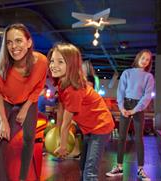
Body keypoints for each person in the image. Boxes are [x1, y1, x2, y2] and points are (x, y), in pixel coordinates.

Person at [0, 23, 48, 181]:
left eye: (18, 41)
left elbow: (39, 86)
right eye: (9, 42)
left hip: (28, 99)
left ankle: (22, 178)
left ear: (28, 43)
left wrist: (25, 108)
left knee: (29, 137)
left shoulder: (41, 62)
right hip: (5, 99)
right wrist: (3, 120)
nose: (14, 46)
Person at [47, 42, 114, 180]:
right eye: (52, 61)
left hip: (101, 127)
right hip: (89, 128)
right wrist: (58, 132)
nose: (53, 65)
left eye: (60, 62)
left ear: (71, 65)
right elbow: (61, 108)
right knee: (83, 167)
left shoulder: (73, 89)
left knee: (90, 172)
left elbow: (67, 122)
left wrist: (63, 145)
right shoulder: (61, 83)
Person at [105, 49, 155, 181]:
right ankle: (119, 167)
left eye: (148, 60)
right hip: (125, 104)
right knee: (121, 137)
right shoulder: (127, 72)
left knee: (139, 138)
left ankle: (140, 170)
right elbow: (120, 91)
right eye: (143, 58)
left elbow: (147, 96)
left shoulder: (149, 77)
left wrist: (135, 110)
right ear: (138, 57)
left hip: (139, 107)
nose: (145, 61)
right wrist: (121, 108)